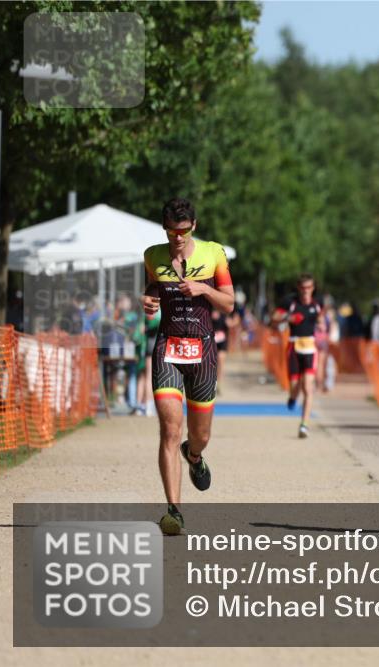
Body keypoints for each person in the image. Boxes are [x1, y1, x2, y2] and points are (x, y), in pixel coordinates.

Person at [141, 198, 235, 536]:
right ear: (165, 228)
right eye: (171, 231)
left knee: (201, 435)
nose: (177, 237)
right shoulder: (153, 255)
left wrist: (202, 290)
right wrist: (148, 300)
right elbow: (152, 288)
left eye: (182, 231)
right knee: (169, 429)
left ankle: (194, 456)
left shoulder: (213, 254)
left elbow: (229, 303)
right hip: (168, 348)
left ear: (193, 225)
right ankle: (174, 511)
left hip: (203, 350)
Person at [272, 275, 324, 438]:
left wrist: (322, 324)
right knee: (295, 387)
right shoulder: (290, 302)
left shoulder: (317, 304)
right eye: (303, 288)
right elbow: (274, 319)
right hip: (294, 347)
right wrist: (289, 318)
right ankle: (293, 398)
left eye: (309, 287)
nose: (306, 291)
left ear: (313, 288)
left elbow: (321, 319)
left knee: (307, 388)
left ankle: (304, 425)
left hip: (310, 348)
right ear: (298, 288)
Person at [211, 308, 230, 392]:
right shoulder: (207, 312)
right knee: (212, 364)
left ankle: (219, 385)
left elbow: (231, 324)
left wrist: (232, 322)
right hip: (211, 341)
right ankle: (211, 382)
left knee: (221, 362)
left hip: (222, 342)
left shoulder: (224, 315)